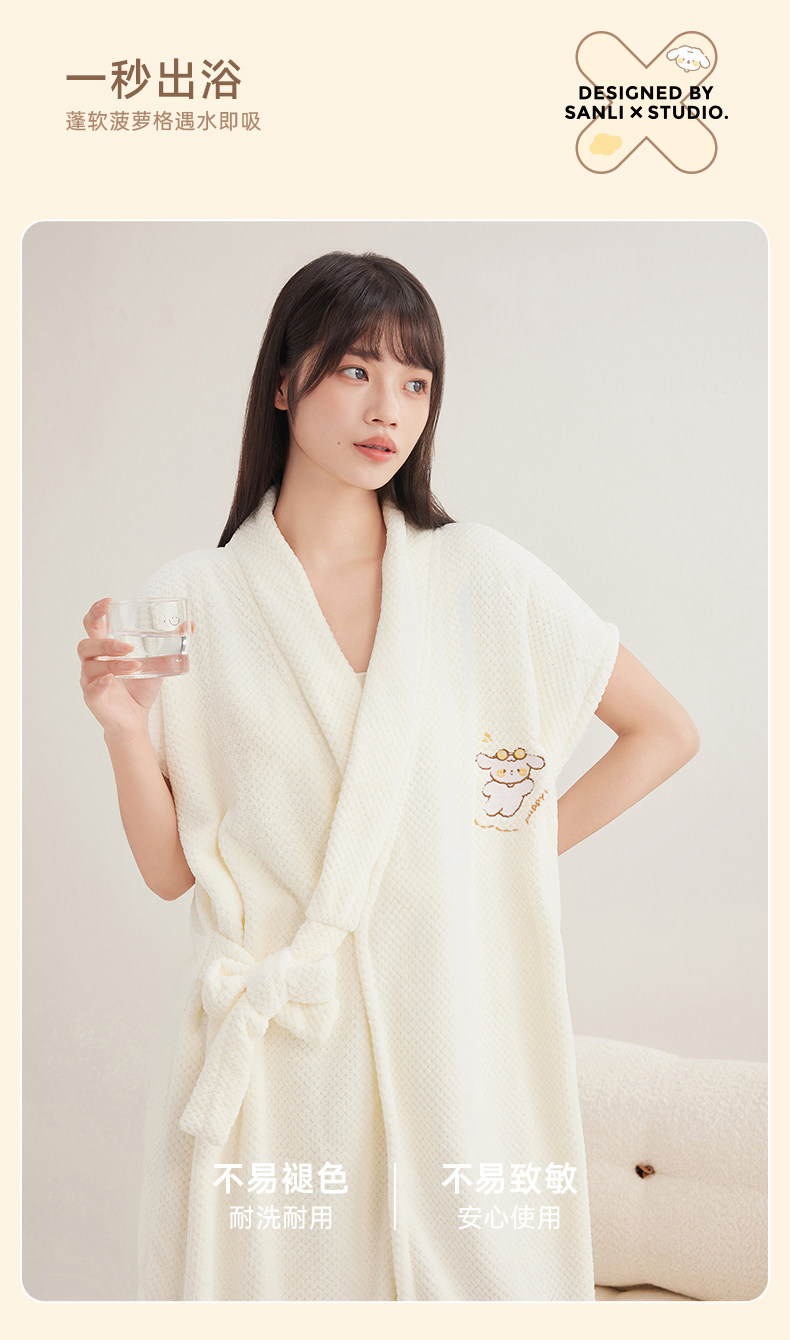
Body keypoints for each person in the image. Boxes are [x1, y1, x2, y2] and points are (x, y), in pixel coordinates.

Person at [78, 251, 699, 1302]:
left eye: (416, 380)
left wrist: (494, 861)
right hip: (281, 1065)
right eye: (356, 370)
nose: (389, 409)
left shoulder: (482, 578)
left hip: (451, 1026)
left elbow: (663, 730)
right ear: (285, 382)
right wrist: (122, 729)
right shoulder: (197, 598)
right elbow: (170, 870)